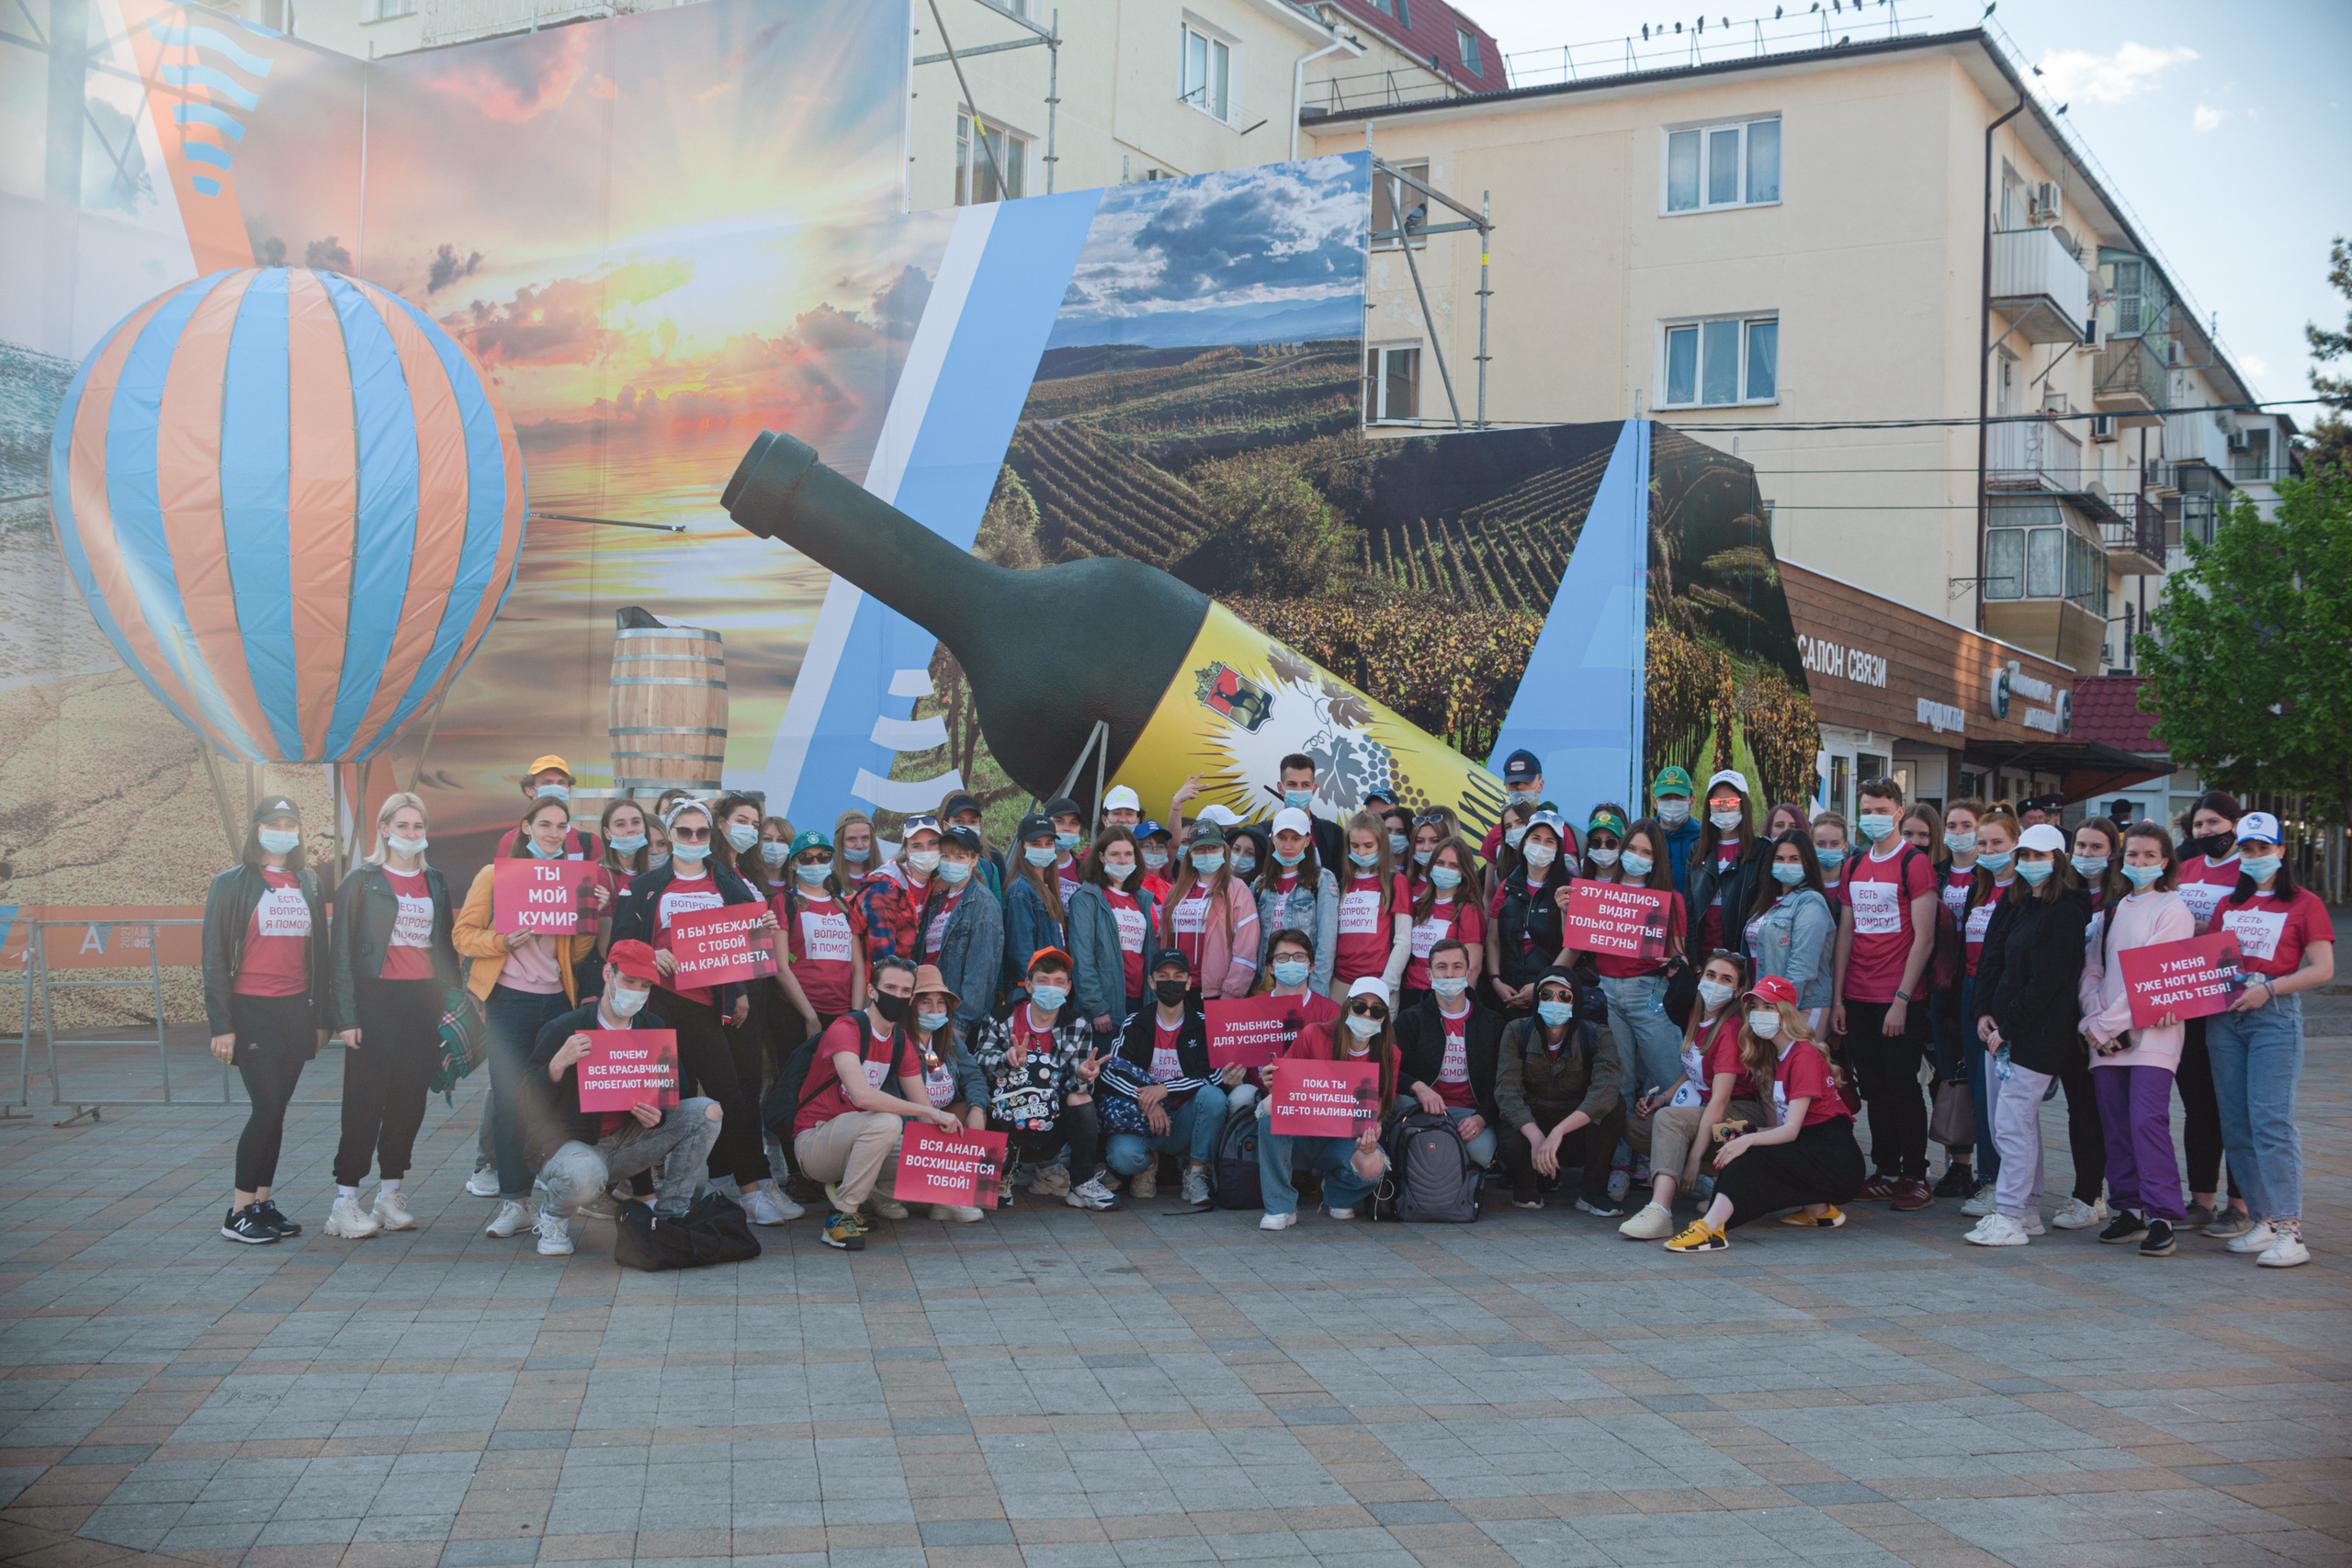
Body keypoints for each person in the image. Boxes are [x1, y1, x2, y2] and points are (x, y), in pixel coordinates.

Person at [608, 798, 797, 1227]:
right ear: (670, 835)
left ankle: (751, 1191)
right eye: (684, 833)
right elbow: (617, 949)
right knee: (649, 1100)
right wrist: (651, 953)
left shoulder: (726, 881)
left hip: (710, 1010)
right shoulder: (645, 888)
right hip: (657, 1008)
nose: (694, 840)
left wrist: (749, 970)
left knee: (730, 1096)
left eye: (702, 833)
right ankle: (645, 1194)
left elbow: (743, 941)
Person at [455, 795, 607, 1238]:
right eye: (545, 824)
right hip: (508, 1003)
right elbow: (463, 935)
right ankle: (514, 1202)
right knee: (509, 1103)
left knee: (556, 1100)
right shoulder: (494, 875)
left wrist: (588, 915)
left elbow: (577, 955)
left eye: (562, 826)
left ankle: (555, 1200)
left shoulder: (572, 879)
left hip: (557, 1004)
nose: (554, 833)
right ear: (526, 827)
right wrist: (501, 941)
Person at [524, 941, 724, 1258]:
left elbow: (677, 1089)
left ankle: (671, 1214)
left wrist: (656, 1111)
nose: (636, 991)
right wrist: (557, 1064)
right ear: (608, 974)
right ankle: (552, 1217)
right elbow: (525, 1101)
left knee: (708, 1111)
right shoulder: (565, 1027)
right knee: (583, 1175)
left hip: (629, 1142)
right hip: (572, 1148)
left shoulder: (652, 1027)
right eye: (629, 981)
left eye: (645, 985)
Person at [323, 792, 457, 1239]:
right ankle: (344, 1201)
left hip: (422, 1001)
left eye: (418, 826)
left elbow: (445, 946)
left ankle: (390, 1193)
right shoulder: (361, 882)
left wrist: (451, 1001)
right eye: (403, 826)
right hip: (374, 1001)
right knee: (364, 1102)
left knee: (408, 1101)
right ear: (384, 829)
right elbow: (339, 953)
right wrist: (346, 1016)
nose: (411, 834)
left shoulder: (434, 880)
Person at [2205, 812, 2334, 1269]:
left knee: (2272, 1123)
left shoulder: (2304, 902)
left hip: (2274, 1017)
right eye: (2247, 849)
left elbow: (2322, 968)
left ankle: (2291, 1229)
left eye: (2264, 848)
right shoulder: (2228, 905)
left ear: (2281, 850)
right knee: (2237, 1124)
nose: (2255, 856)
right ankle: (2264, 1221)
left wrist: (2270, 989)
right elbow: (2211, 963)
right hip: (2225, 1019)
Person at [204, 796, 330, 1244]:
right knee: (267, 1108)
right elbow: (215, 956)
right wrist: (222, 1023)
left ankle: (261, 1203)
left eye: (290, 823)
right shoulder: (232, 883)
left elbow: (321, 954)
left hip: (296, 1009)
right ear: (257, 829)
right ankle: (237, 1212)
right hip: (251, 1009)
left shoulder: (308, 882)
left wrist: (322, 1017)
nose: (283, 829)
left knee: (277, 1114)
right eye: (274, 822)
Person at [1663, 976, 1865, 1250]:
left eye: (1769, 1007)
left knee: (1749, 1155)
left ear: (1786, 1012)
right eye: (1755, 1007)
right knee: (1744, 1143)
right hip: (1818, 1151)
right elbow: (1798, 1129)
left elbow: (1793, 1130)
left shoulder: (1803, 1054)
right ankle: (1820, 1212)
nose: (1759, 1013)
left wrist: (1749, 1140)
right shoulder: (1780, 1055)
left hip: (1836, 1162)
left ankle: (1711, 1230)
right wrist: (1750, 1132)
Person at [1965, 823, 2092, 1247]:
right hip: (2001, 1032)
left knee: (2012, 1125)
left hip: (2035, 1035)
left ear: (2058, 860)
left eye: (2040, 856)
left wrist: (2009, 1027)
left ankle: (2011, 1215)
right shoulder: (2020, 903)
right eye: (2025, 856)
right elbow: (1993, 961)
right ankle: (2027, 1208)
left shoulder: (2068, 911)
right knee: (2014, 1124)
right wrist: (1983, 1011)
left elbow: (2048, 982)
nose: (2031, 863)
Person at [2076, 820, 2195, 1258]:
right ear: (2121, 861)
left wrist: (2107, 1024)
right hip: (2106, 1038)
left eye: (2149, 856)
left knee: (2147, 1122)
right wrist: (2092, 1020)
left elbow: (2158, 976)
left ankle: (2162, 1215)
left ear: (2164, 862)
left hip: (2153, 1036)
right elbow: (2093, 970)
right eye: (2133, 856)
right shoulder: (2111, 909)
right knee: (2116, 1126)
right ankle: (2128, 1208)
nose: (2140, 862)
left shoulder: (2173, 909)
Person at [790, 957, 964, 1249]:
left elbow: (924, 1115)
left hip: (858, 1140)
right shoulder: (846, 1028)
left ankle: (855, 1191)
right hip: (815, 1141)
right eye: (890, 987)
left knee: (933, 1147)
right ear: (871, 990)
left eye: (905, 991)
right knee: (887, 1122)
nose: (897, 996)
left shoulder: (899, 1042)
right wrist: (932, 1112)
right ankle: (841, 1218)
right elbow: (862, 1095)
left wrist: (951, 1162)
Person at [1831, 776, 1941, 1212]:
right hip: (1857, 997)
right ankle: (1886, 1170)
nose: (1873, 818)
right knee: (1874, 1088)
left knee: (1902, 1088)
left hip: (1899, 1000)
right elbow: (1845, 933)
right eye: (1867, 810)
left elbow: (1925, 939)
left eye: (1882, 810)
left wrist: (1901, 998)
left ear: (1899, 811)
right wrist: (1839, 999)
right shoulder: (1854, 865)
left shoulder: (1913, 864)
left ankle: (1915, 1174)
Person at [1620, 953, 1758, 1239]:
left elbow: (1719, 1100)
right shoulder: (1700, 1013)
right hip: (1715, 1109)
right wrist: (1663, 1098)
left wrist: (1694, 1159)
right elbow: (1693, 1069)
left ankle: (1660, 1209)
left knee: (1670, 1121)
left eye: (1726, 979)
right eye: (1710, 975)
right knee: (1639, 1127)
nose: (1715, 984)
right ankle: (1729, 1188)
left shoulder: (1730, 1028)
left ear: (1738, 991)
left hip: (1743, 1116)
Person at [974, 950, 1120, 1211]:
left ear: (1068, 988)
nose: (1050, 987)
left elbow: (1077, 1085)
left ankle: (1082, 1184)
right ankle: (1002, 1175)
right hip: (1004, 1114)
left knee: (1082, 1097)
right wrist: (1006, 1060)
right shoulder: (1000, 1017)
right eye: (1043, 981)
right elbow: (979, 1063)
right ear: (1029, 985)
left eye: (1059, 982)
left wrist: (1084, 1076)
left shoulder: (1077, 1024)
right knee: (989, 1097)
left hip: (1052, 1119)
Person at [1256, 976, 1397, 1230]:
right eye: (1359, 1006)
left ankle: (1337, 1195)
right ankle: (1280, 1206)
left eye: (1376, 1011)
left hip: (1344, 1139)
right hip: (1302, 1135)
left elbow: (1378, 1114)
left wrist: (1373, 1134)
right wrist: (1272, 1084)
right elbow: (1283, 1090)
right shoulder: (1314, 1035)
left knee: (1373, 1163)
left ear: (1384, 1019)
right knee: (1269, 1111)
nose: (1366, 1014)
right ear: (1346, 1007)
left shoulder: (1390, 1055)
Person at [2171, 790, 2249, 1235]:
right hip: (2189, 998)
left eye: (2215, 823)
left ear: (2234, 824)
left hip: (2231, 1000)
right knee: (2198, 1105)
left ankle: (2239, 1204)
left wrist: (2206, 931)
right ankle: (2201, 1200)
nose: (2207, 832)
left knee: (2234, 1105)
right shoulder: (2186, 868)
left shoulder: (2249, 869)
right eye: (2200, 825)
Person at [1565, 814, 1686, 1096]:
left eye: (1647, 852)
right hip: (1606, 993)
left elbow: (1680, 956)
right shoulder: (1598, 894)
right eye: (1632, 849)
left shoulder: (1670, 898)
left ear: (1657, 859)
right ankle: (1622, 1139)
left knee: (1668, 1077)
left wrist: (1675, 964)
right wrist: (1566, 913)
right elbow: (1574, 944)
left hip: (1649, 993)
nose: (1637, 857)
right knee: (1618, 1085)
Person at [1100, 950, 1231, 1204]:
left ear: (1189, 982)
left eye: (1178, 976)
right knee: (1122, 1158)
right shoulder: (1134, 1023)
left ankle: (1195, 1172)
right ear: (1151, 982)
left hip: (1185, 1120)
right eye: (1163, 976)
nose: (1171, 982)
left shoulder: (1204, 1024)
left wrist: (1165, 1089)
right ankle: (1148, 1163)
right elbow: (1112, 1070)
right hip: (1142, 1118)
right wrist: (1151, 1100)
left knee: (1213, 1097)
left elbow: (1212, 1076)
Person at [1493, 966, 1624, 1214]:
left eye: (1564, 996)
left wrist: (1558, 1132)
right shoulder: (1516, 1031)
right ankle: (1526, 1185)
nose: (1555, 1002)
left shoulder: (1597, 1035)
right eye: (1546, 995)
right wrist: (1537, 1137)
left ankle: (1593, 1192)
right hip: (1533, 1128)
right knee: (1509, 1127)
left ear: (1576, 1001)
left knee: (1615, 1106)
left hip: (1574, 1131)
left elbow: (1605, 1090)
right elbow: (1507, 1093)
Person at [1955, 807, 2019, 1220]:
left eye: (1997, 842)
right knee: (1980, 1094)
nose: (1989, 850)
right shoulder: (1980, 887)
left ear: (2015, 844)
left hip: (2003, 999)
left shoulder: (2022, 893)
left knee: (2004, 1098)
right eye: (1983, 844)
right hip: (1971, 994)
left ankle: (2003, 1183)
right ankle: (1989, 1178)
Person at [1394, 938, 1503, 1168]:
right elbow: (1389, 1069)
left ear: (1468, 972)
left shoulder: (1492, 1022)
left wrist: (1483, 1117)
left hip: (1471, 1112)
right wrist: (1418, 1087)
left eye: (1457, 967)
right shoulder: (1410, 1019)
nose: (1450, 975)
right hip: (1422, 1108)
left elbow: (1503, 1081)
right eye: (1441, 967)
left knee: (1482, 1156)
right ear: (1429, 974)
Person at [1928, 799, 1985, 1198]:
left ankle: (1990, 1171)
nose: (1958, 831)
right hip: (1940, 986)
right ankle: (1959, 1164)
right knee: (1949, 1077)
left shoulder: (1992, 874)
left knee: (1981, 1080)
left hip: (1976, 985)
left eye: (1967, 825)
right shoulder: (1936, 874)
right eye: (1952, 824)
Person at [769, 828, 868, 1056]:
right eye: (806, 858)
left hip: (842, 1014)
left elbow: (857, 967)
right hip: (796, 1013)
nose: (815, 863)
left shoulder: (843, 907)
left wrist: (855, 1015)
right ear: (794, 864)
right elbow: (780, 967)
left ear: (830, 862)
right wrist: (810, 1017)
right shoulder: (784, 903)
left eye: (823, 857)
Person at [901, 964, 989, 1221]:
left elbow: (975, 1076)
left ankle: (950, 1199)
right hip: (910, 1127)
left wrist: (976, 1109)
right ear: (911, 1005)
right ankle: (890, 1193)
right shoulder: (899, 1040)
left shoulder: (949, 1038)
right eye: (926, 1002)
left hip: (943, 1122)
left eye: (941, 1003)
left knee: (976, 1112)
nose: (935, 1010)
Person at [1068, 828, 1157, 1054]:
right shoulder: (1087, 897)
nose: (1122, 860)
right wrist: (1097, 1007)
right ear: (1100, 856)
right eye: (1114, 854)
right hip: (1105, 1006)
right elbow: (1082, 957)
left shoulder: (1142, 898)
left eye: (1128, 854)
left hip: (1139, 1001)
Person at [1239, 929, 1344, 1107]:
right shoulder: (1250, 1009)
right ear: (1271, 967)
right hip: (1259, 1093)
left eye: (1299, 957)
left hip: (1309, 1098)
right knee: (1238, 1096)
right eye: (1282, 957)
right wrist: (1234, 1080)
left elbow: (1333, 1070)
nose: (1291, 962)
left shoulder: (1330, 1012)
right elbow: (1238, 1061)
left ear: (1311, 966)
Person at [922, 824, 1006, 1039]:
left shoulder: (983, 903)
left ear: (974, 860)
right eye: (946, 856)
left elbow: (980, 972)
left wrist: (961, 1024)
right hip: (926, 1009)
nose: (951, 863)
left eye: (960, 857)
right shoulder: (936, 900)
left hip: (954, 1020)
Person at [1487, 809, 1574, 1017]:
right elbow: (1493, 940)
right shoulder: (1507, 885)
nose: (1541, 846)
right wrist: (1495, 980)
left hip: (1552, 997)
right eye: (1535, 838)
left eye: (1549, 841)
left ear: (1557, 849)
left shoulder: (1569, 888)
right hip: (1508, 993)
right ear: (1525, 842)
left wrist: (1542, 985)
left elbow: (1573, 947)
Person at [1741, 829, 1835, 1022]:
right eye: (1780, 858)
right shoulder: (1766, 903)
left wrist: (1781, 1009)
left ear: (1807, 864)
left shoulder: (1810, 903)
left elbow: (1802, 967)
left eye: (1794, 859)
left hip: (1799, 1007)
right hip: (1764, 1003)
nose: (1786, 865)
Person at [1160, 821, 1261, 1000]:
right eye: (1200, 849)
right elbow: (1163, 942)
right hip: (1175, 988)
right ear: (1191, 853)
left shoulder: (1237, 890)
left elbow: (1246, 950)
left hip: (1215, 993)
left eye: (1213, 848)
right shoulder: (1175, 892)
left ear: (1223, 849)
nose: (1207, 853)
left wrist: (1231, 992)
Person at [1331, 810, 1412, 1003]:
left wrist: (1387, 984)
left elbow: (1403, 940)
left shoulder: (1396, 882)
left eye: (1368, 846)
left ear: (1381, 845)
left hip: (1379, 982)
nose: (1361, 852)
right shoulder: (1342, 884)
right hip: (1340, 982)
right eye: (1355, 846)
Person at [1400, 836, 1487, 1012]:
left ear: (1463, 872)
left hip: (1444, 999)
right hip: (1410, 994)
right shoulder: (1420, 904)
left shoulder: (1468, 910)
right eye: (1440, 863)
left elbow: (1473, 967)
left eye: (1453, 865)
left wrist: (1459, 1007)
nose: (1445, 869)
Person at [1685, 770, 1760, 962]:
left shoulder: (1759, 851)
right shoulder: (1697, 850)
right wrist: (1696, 965)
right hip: (1704, 960)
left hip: (1741, 961)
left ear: (1744, 804)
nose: (1724, 809)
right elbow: (1690, 911)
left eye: (1732, 802)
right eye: (1717, 803)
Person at [857, 813, 946, 965]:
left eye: (932, 843)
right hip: (879, 979)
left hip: (907, 975)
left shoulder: (937, 882)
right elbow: (881, 954)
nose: (926, 851)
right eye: (917, 846)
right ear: (906, 850)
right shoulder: (884, 888)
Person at [1003, 811, 1073, 987]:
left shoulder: (1047, 886)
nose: (1043, 849)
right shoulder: (1020, 891)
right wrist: (1036, 987)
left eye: (1048, 844)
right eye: (1036, 844)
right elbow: (1021, 951)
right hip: (1035, 990)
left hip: (1050, 985)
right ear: (1023, 846)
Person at [492, 756, 603, 860]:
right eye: (547, 783)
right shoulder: (511, 841)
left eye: (561, 783)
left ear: (568, 790)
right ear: (529, 789)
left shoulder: (589, 843)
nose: (555, 788)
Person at [1274, 752, 1348, 872]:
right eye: (1292, 784)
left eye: (1305, 785)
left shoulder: (1333, 834)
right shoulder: (1264, 833)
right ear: (1280, 788)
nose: (1299, 790)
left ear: (1313, 789)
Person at [1476, 749, 1545, 865]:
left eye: (1526, 781)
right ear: (1506, 788)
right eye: (1513, 783)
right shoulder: (1495, 834)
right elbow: (1491, 883)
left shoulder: (1557, 827)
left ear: (1540, 785)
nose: (1519, 787)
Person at [939, 789, 1005, 897]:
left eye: (972, 821)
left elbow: (999, 904)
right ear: (945, 823)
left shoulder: (993, 858)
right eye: (959, 821)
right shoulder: (932, 857)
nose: (966, 827)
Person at [1650, 765, 1702, 894]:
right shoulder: (1645, 838)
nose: (1672, 802)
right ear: (1655, 801)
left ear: (1691, 801)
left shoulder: (1703, 839)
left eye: (1679, 797)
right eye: (1666, 796)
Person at [1042, 795, 1091, 905]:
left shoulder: (1085, 872)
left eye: (1073, 823)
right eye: (1059, 821)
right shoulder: (1033, 867)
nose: (1067, 828)